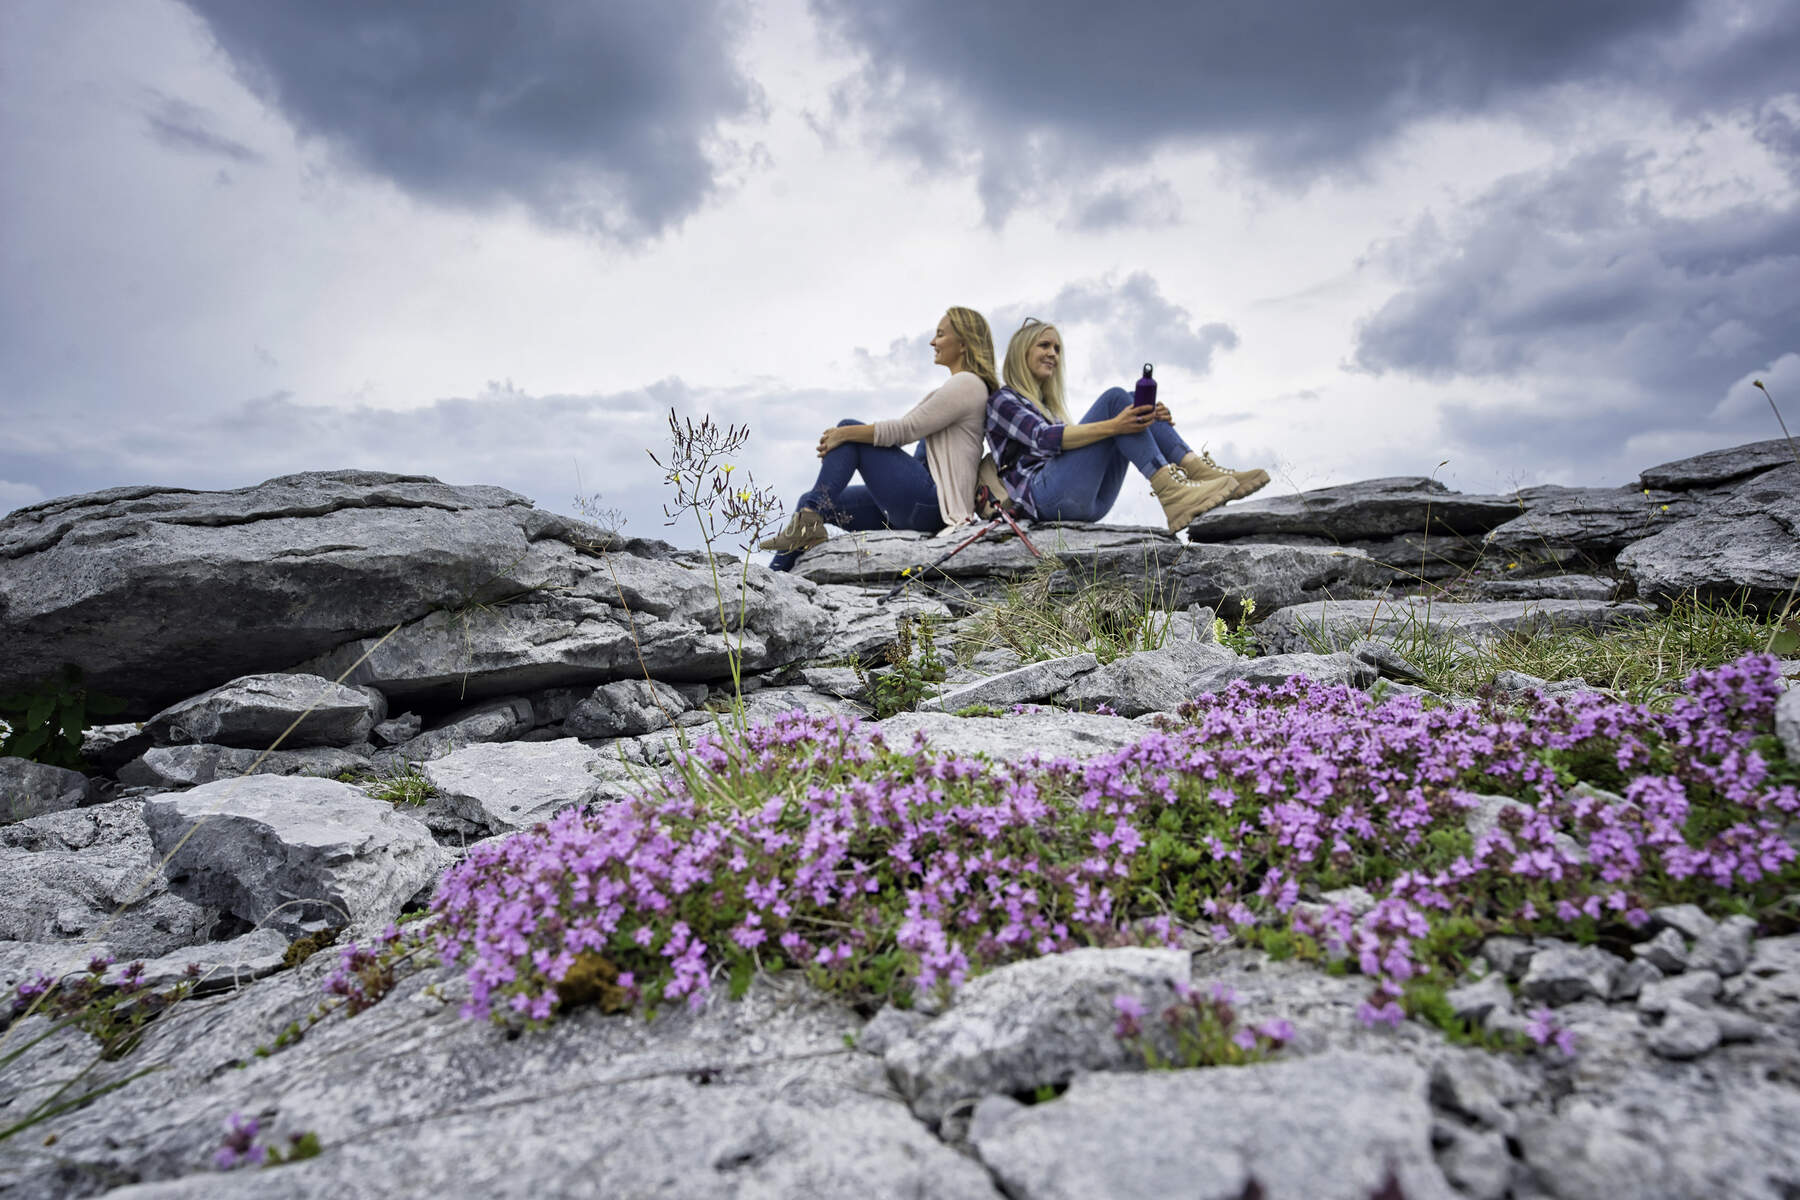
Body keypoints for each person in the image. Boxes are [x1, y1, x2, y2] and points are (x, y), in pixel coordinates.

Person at [760, 307, 998, 570]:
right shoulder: (957, 388)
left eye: (941, 335)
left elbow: (904, 430)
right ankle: (776, 575)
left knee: (850, 432)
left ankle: (796, 541)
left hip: (933, 504)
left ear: (964, 343)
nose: (933, 342)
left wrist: (844, 434)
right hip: (920, 506)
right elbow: (897, 437)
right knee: (814, 502)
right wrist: (845, 437)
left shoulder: (968, 384)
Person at [984, 317, 1269, 532]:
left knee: (1134, 403)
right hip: (1043, 499)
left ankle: (1198, 471)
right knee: (1115, 400)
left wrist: (1144, 421)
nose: (1053, 354)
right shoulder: (1003, 401)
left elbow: (1076, 438)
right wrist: (1117, 424)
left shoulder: (1049, 408)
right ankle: (1171, 491)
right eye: (1044, 346)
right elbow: (1044, 438)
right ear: (1022, 352)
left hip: (1090, 503)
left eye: (1057, 349)